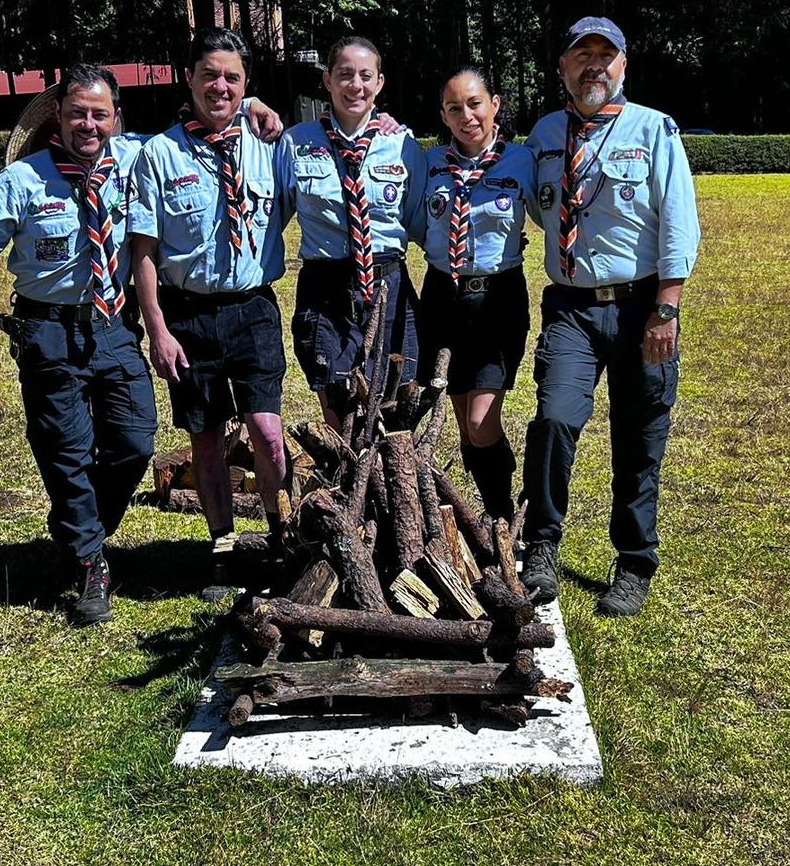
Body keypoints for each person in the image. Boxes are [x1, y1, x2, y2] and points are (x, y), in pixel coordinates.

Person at [0, 63, 156, 626]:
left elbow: (195, 132)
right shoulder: (22, 181)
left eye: (100, 114)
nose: (89, 124)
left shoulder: (135, 161)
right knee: (65, 450)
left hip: (115, 324)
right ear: (58, 115)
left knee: (135, 441)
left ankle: (81, 531)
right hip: (48, 328)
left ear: (116, 119)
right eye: (78, 112)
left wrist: (252, 109)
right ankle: (89, 565)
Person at [520, 16, 700, 617]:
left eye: (605, 56)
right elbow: (492, 176)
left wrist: (666, 308)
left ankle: (633, 563)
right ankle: (540, 546)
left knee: (640, 433)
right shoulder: (544, 135)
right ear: (563, 68)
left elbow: (679, 222)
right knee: (554, 418)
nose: (593, 65)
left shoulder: (654, 130)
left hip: (641, 306)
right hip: (571, 306)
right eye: (581, 56)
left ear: (624, 66)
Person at [128, 28, 293, 555]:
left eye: (233, 77)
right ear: (189, 79)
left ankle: (280, 534)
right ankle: (221, 543)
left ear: (246, 84)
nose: (220, 87)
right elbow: (145, 250)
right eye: (209, 75)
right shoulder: (159, 154)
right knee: (206, 436)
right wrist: (157, 329)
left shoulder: (270, 144)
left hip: (253, 310)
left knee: (267, 432)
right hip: (188, 316)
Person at [281, 37, 427, 428]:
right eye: (345, 75)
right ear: (327, 80)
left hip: (388, 283)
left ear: (379, 83)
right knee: (338, 405)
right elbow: (274, 211)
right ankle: (346, 484)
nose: (355, 85)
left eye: (365, 76)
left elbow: (416, 220)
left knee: (398, 400)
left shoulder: (403, 146)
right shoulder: (295, 143)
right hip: (325, 286)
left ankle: (391, 484)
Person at [415, 66, 536, 521]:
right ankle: (489, 522)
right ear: (443, 116)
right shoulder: (428, 164)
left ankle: (505, 519)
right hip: (443, 299)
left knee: (482, 421)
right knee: (465, 419)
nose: (466, 115)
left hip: (498, 300)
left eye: (474, 104)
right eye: (453, 108)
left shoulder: (522, 160)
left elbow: (554, 210)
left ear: (495, 105)